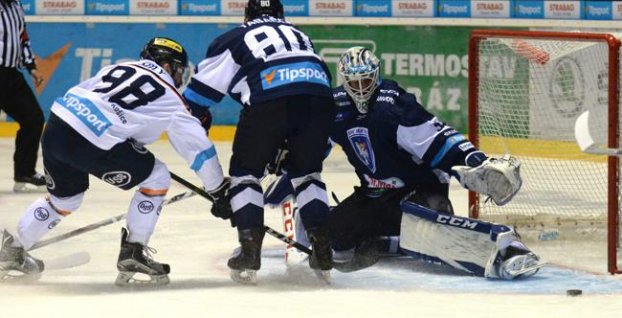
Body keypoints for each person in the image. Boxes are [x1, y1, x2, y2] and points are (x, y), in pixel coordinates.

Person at [265, 47, 544, 279]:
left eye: (366, 81)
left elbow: (438, 139)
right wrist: (281, 179)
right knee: (332, 239)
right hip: (373, 196)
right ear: (343, 80)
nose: (361, 88)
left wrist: (474, 160)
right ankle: (387, 239)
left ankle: (509, 248)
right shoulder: (334, 107)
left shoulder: (393, 104)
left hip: (418, 190)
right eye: (354, 82)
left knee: (433, 233)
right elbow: (311, 151)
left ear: (376, 77)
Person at [0, 37, 231, 286]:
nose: (178, 77)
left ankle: (13, 249)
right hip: (93, 140)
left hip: (57, 127)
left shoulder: (116, 69)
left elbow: (89, 99)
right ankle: (134, 250)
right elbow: (197, 148)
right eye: (177, 69)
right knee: (158, 176)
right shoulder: (171, 97)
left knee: (65, 200)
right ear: (166, 66)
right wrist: (218, 188)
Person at [183, 0, 335, 283]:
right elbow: (318, 82)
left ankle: (249, 254)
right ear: (281, 15)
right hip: (319, 101)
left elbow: (196, 98)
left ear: (246, 15)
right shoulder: (301, 36)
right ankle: (323, 250)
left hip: (269, 100)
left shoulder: (234, 38)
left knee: (246, 175)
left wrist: (193, 124)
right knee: (307, 175)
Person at [0, 0, 47, 192]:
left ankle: (24, 172)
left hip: (10, 73)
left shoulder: (16, 5)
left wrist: (31, 68)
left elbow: (22, 38)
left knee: (33, 119)